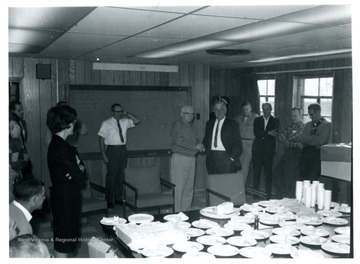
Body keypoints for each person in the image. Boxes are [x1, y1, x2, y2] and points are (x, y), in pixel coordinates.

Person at [47, 105, 87, 257]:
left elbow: (80, 169)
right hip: (65, 198)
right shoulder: (61, 147)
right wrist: (77, 170)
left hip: (66, 195)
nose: (76, 123)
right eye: (74, 120)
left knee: (65, 238)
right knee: (65, 240)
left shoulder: (61, 144)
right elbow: (79, 174)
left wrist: (77, 169)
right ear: (67, 123)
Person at [98, 103, 140, 208]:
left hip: (122, 150)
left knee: (120, 176)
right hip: (112, 150)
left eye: (121, 111)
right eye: (117, 112)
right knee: (111, 176)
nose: (119, 114)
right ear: (112, 112)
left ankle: (118, 198)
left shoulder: (125, 121)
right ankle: (109, 200)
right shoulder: (106, 123)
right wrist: (103, 154)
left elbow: (137, 121)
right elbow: (101, 139)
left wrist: (127, 113)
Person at [170, 105, 203, 212]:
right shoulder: (177, 125)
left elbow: (194, 141)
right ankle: (176, 214)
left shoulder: (191, 126)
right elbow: (179, 141)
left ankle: (185, 213)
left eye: (192, 114)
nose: (190, 116)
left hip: (191, 159)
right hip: (180, 159)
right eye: (187, 113)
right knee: (179, 189)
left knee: (189, 189)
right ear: (182, 114)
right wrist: (195, 146)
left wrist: (200, 145)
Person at [202, 97, 242, 174]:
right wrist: (202, 147)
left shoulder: (233, 124)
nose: (219, 112)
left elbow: (238, 144)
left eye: (221, 109)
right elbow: (206, 140)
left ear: (226, 111)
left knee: (226, 184)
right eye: (216, 109)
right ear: (213, 111)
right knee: (213, 183)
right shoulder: (209, 124)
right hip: (212, 158)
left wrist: (232, 158)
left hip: (226, 157)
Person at [273, 108, 305, 198]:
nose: (293, 118)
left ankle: (289, 197)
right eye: (292, 116)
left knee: (290, 176)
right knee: (277, 173)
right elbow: (280, 137)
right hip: (288, 153)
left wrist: (289, 142)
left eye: (295, 116)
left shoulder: (303, 126)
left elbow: (299, 140)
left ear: (300, 116)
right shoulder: (290, 125)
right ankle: (279, 197)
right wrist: (293, 142)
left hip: (296, 154)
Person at [252, 103, 279, 199]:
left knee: (268, 173)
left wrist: (263, 134)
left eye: (267, 109)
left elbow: (275, 133)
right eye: (263, 109)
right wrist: (268, 133)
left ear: (271, 109)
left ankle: (268, 195)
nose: (265, 111)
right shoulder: (257, 119)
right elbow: (256, 133)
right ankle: (255, 194)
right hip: (257, 150)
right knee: (256, 173)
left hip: (268, 151)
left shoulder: (275, 120)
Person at [298, 103, 331, 181]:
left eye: (312, 114)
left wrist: (308, 140)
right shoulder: (308, 125)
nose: (310, 117)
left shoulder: (327, 125)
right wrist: (314, 138)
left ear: (319, 112)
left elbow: (321, 140)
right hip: (305, 154)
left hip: (317, 155)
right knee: (303, 179)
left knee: (313, 179)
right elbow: (301, 138)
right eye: (309, 114)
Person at [235, 102, 259, 185]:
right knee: (238, 164)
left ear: (251, 108)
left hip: (250, 143)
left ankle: (242, 186)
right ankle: (237, 185)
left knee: (245, 166)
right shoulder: (238, 118)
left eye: (247, 109)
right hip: (240, 142)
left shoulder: (256, 117)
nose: (246, 111)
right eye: (244, 109)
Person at [9, 101, 32, 177]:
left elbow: (23, 141)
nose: (22, 112)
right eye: (19, 110)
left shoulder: (23, 122)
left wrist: (25, 152)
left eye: (22, 109)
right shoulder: (9, 125)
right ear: (12, 111)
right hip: (14, 157)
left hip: (23, 156)